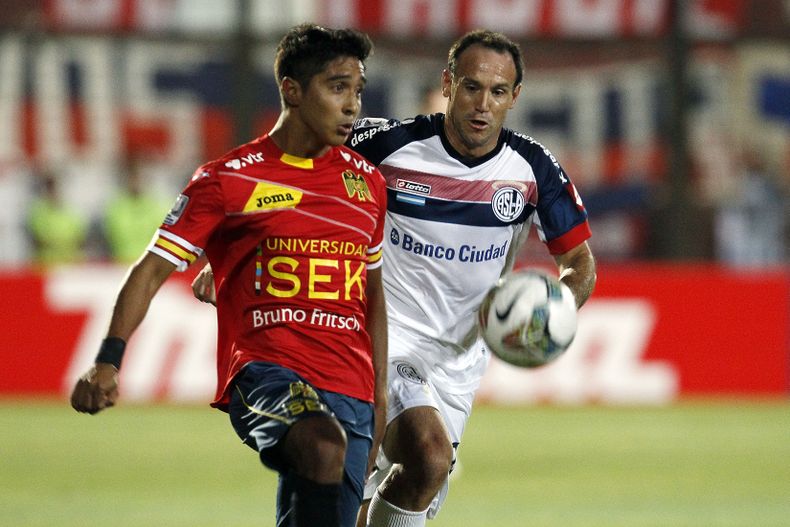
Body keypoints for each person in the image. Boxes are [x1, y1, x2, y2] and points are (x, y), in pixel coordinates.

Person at [194, 29, 596, 527]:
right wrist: (232, 255)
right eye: (471, 86)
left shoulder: (534, 168)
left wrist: (557, 305)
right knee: (427, 454)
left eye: (497, 92)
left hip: (459, 359)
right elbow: (299, 175)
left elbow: (579, 261)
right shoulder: (389, 143)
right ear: (447, 84)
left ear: (514, 97)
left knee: (405, 490)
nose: (482, 104)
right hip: (380, 335)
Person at [70, 24, 389, 527]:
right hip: (265, 371)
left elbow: (372, 294)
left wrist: (380, 396)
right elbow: (153, 268)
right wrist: (108, 360)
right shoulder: (228, 178)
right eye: (337, 87)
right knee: (322, 445)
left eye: (358, 90)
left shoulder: (366, 182)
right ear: (292, 89)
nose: (352, 105)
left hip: (351, 386)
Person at [102, 157, 171, 263]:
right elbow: (111, 240)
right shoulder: (115, 209)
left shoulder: (157, 207)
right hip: (120, 264)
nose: (135, 182)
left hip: (149, 264)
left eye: (138, 178)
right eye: (132, 178)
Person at [26, 169, 89, 266]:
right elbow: (39, 241)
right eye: (51, 189)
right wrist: (64, 243)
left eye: (57, 188)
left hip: (71, 264)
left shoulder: (72, 210)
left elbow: (80, 239)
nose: (54, 192)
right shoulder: (38, 211)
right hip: (46, 265)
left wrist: (56, 242)